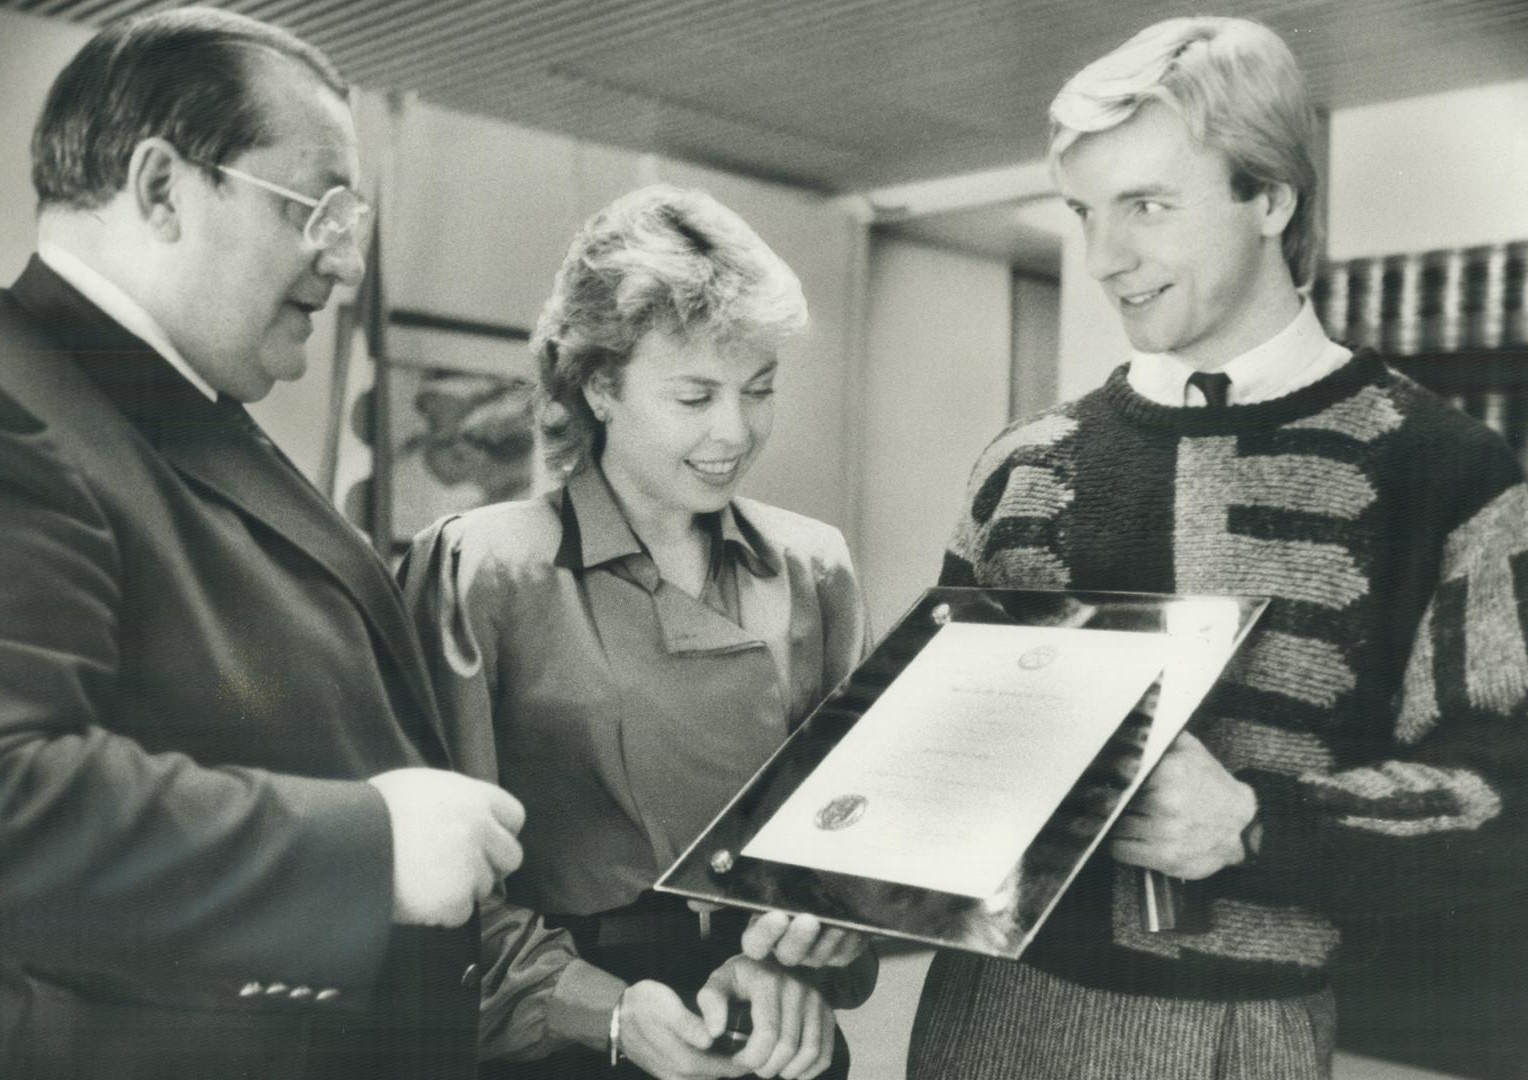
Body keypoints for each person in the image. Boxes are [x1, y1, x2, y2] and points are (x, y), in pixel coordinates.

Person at [0, 9, 526, 1078]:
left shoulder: (168, 408)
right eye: (318, 210)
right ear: (160, 189)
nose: (341, 266)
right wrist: (369, 851)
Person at [910, 15, 1528, 1080]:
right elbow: (932, 753)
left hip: (1239, 1031)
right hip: (982, 1010)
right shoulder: (1019, 462)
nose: (1106, 259)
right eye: (1084, 212)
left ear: (1271, 200)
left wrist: (1257, 826)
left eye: (1148, 205)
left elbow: (1501, 796)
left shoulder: (1448, 468)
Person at [399, 184, 876, 1080]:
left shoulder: (813, 566)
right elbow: (440, 878)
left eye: (759, 389)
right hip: (563, 1032)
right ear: (599, 387)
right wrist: (604, 1009)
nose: (733, 432)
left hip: (768, 1033)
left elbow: (847, 846)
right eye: (694, 396)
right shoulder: (484, 567)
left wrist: (801, 960)